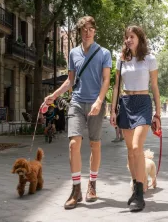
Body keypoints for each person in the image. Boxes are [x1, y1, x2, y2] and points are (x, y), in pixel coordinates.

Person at [44, 16, 112, 209]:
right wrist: (54, 96)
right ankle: (76, 190)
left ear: (95, 31)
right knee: (74, 144)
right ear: (80, 32)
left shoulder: (104, 53)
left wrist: (100, 101)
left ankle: (92, 184)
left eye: (91, 29)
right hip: (77, 102)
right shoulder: (73, 53)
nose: (87, 32)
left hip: (96, 104)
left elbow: (106, 79)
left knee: (94, 144)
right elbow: (70, 81)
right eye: (84, 29)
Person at [110, 25, 161, 212]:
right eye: (127, 37)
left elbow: (155, 86)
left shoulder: (150, 59)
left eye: (132, 36)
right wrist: (113, 110)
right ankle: (136, 186)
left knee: (137, 147)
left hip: (143, 103)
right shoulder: (121, 60)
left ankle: (140, 194)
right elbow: (116, 87)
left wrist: (158, 113)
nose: (128, 40)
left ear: (139, 38)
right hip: (125, 103)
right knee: (130, 151)